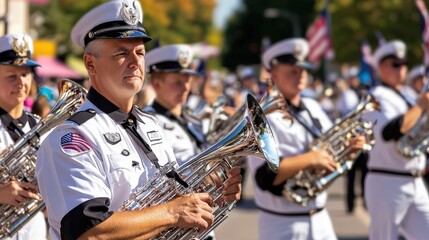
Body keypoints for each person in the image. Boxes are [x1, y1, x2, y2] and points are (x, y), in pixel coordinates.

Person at [35, 1, 242, 240]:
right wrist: (171, 213)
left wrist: (209, 191)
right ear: (90, 64)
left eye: (140, 52)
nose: (135, 61)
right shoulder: (71, 138)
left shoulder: (149, 125)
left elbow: (169, 197)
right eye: (122, 53)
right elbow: (89, 232)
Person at [247, 38, 367, 240]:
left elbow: (329, 151)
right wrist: (311, 159)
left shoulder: (313, 107)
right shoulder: (261, 115)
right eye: (292, 71)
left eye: (303, 70)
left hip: (320, 219)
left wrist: (349, 148)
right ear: (273, 73)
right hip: (282, 224)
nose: (300, 75)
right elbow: (265, 177)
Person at [144, 44, 217, 240]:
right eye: (177, 82)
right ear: (157, 84)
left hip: (202, 224)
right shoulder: (148, 123)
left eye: (188, 80)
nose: (185, 87)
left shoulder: (192, 119)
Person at [364, 40, 429, 239]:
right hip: (387, 181)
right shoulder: (376, 96)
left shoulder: (409, 95)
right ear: (381, 67)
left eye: (403, 64)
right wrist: (420, 106)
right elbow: (390, 132)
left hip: (416, 180)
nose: (401, 69)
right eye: (395, 64)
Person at [0, 33, 47, 239]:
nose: (20, 82)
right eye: (11, 76)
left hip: (34, 231)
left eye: (25, 74)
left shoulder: (40, 125)